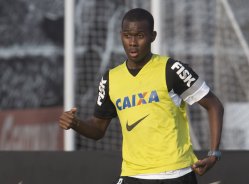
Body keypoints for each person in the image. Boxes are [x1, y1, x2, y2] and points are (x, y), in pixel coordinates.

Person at [59, 8, 224, 184]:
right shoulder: (110, 79)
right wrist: (75, 123)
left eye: (139, 35)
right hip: (132, 174)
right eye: (128, 36)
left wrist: (214, 153)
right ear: (121, 35)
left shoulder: (172, 69)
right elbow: (98, 129)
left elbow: (214, 105)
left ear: (153, 36)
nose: (133, 42)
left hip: (175, 175)